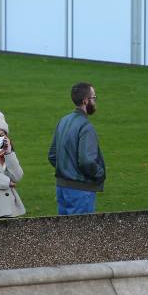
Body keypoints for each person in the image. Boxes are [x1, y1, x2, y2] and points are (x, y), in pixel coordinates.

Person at [48, 82, 105, 215]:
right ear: (86, 101)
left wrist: (67, 170)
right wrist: (100, 174)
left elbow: (52, 155)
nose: (95, 102)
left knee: (65, 232)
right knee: (80, 233)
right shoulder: (86, 126)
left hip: (62, 187)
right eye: (93, 98)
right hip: (81, 191)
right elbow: (87, 161)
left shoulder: (63, 121)